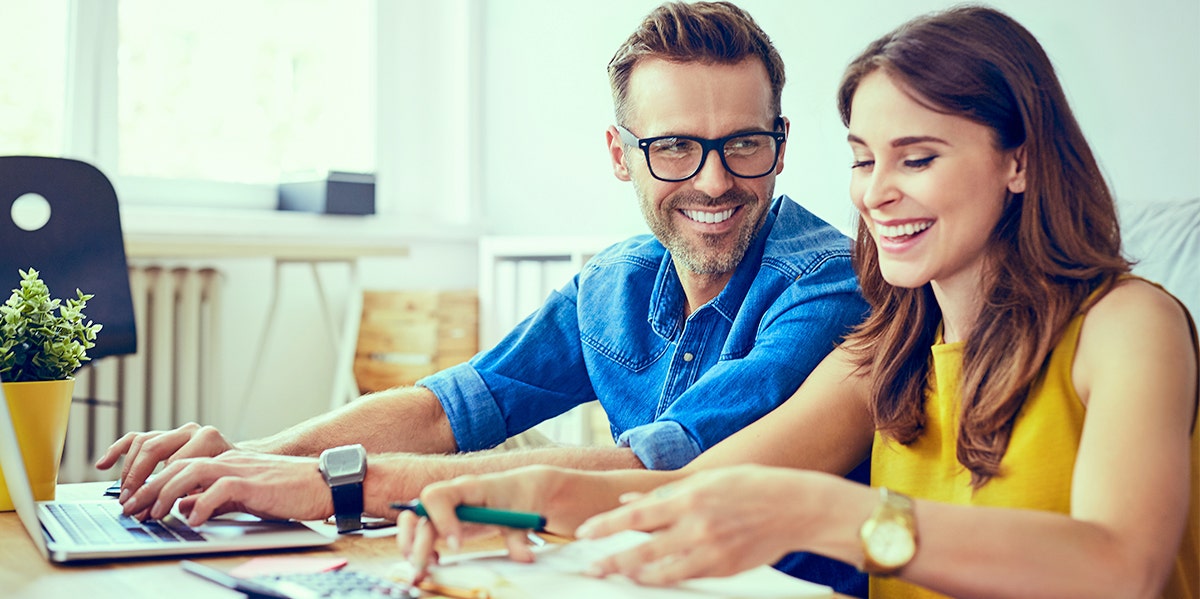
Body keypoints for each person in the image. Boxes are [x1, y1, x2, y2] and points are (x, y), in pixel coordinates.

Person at [399, 5, 1199, 598]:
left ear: (1018, 161)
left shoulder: (1128, 326)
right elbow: (698, 486)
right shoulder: (889, 346)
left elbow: (1120, 566)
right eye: (862, 159)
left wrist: (824, 514)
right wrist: (519, 497)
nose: (877, 193)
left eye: (916, 158)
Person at [96, 2, 870, 594]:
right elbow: (449, 407)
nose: (713, 179)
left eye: (743, 142)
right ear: (619, 153)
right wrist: (245, 457)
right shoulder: (615, 280)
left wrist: (336, 479)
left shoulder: (827, 283)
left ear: (781, 142)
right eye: (672, 146)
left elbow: (655, 465)